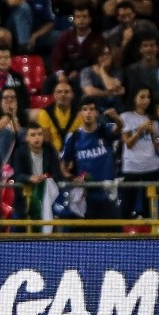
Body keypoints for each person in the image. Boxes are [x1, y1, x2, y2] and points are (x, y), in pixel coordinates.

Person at [61, 96, 122, 226]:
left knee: (114, 239)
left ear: (97, 113)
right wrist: (72, 178)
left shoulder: (105, 130)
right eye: (84, 109)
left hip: (108, 196)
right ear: (80, 114)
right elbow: (63, 165)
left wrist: (116, 117)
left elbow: (119, 128)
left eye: (92, 109)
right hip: (86, 198)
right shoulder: (73, 137)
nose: (88, 113)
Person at [119, 86, 159, 218]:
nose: (146, 100)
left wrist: (154, 134)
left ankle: (151, 237)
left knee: (150, 207)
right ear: (134, 98)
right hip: (132, 166)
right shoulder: (125, 117)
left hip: (151, 166)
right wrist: (140, 130)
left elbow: (156, 147)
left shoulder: (153, 119)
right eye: (142, 97)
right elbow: (128, 143)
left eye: (148, 97)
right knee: (126, 206)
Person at [11, 122, 63, 220]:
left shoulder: (49, 150)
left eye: (40, 134)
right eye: (33, 135)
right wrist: (30, 178)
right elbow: (17, 175)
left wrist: (46, 177)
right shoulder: (20, 152)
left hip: (48, 194)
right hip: (25, 197)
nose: (37, 138)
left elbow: (57, 173)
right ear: (27, 138)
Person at [35, 81, 82, 153]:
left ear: (72, 95)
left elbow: (81, 138)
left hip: (74, 153)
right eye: (59, 92)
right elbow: (46, 141)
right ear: (54, 95)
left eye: (66, 92)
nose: (63, 94)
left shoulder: (80, 113)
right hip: (53, 154)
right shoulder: (44, 113)